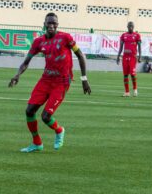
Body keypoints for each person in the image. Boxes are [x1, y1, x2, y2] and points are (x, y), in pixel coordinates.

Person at [8, 13, 92, 152]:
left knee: (46, 117)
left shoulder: (66, 38)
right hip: (46, 80)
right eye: (49, 23)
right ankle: (37, 143)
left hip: (62, 82)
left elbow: (80, 55)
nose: (52, 25)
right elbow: (26, 62)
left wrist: (84, 79)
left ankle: (59, 130)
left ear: (57, 25)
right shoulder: (38, 42)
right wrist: (17, 75)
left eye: (55, 23)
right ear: (45, 24)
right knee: (29, 111)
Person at [116, 21, 142, 97]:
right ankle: (127, 92)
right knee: (125, 75)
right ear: (127, 27)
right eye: (129, 26)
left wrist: (140, 57)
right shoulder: (123, 35)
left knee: (133, 74)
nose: (130, 27)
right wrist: (118, 56)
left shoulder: (137, 35)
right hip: (125, 57)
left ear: (133, 27)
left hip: (133, 57)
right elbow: (121, 47)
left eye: (132, 26)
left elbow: (139, 47)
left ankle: (135, 90)